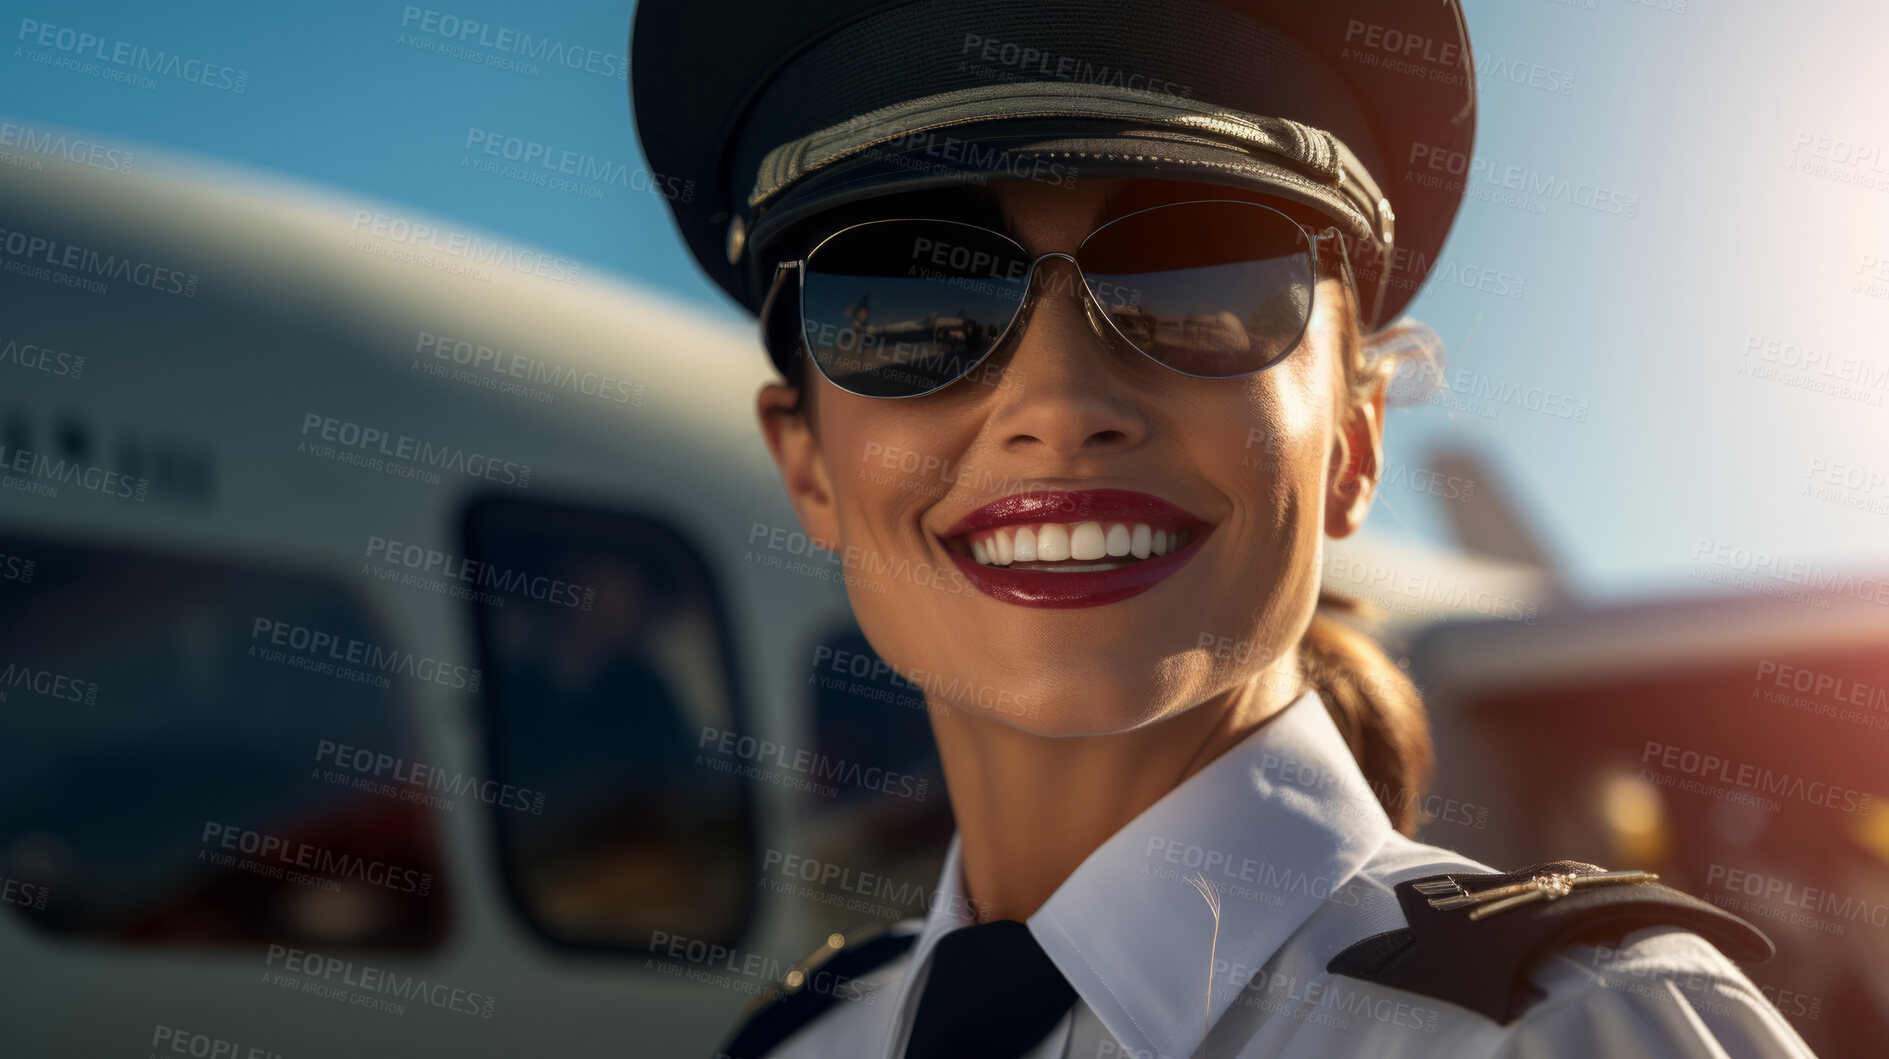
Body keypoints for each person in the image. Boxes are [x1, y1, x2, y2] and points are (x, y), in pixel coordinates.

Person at [630, 2, 1820, 1056]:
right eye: (911, 308)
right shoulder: (807, 1042)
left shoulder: (1593, 1032)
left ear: (1351, 445)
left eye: (1195, 284)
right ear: (808, 467)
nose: (1058, 406)